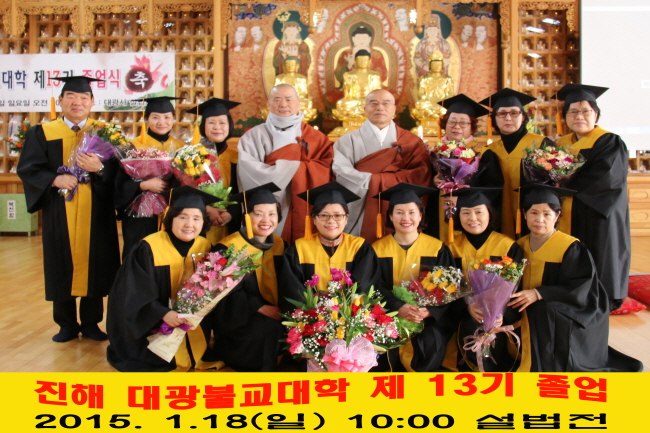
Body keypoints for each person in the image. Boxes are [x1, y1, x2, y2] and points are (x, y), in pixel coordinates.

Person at [17, 76, 120, 343]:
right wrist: (54, 179)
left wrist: (100, 169)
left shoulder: (105, 133)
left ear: (92, 102)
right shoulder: (43, 132)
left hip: (96, 211)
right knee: (60, 263)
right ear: (60, 101)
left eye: (84, 97)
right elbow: (28, 168)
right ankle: (66, 324)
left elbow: (122, 173)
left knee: (96, 262)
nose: (77, 102)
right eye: (71, 96)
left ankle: (91, 323)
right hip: (59, 210)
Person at [512, 184, 642, 372]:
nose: (539, 219)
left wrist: (539, 293)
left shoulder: (570, 246)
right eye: (533, 213)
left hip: (569, 307)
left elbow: (582, 286)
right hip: (528, 303)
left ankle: (548, 366)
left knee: (541, 308)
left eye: (547, 214)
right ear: (524, 215)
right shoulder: (519, 246)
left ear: (557, 216)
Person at [106, 186, 223, 372]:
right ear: (171, 218)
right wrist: (162, 313)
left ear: (203, 222)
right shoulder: (148, 247)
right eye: (182, 217)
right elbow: (132, 292)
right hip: (154, 327)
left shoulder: (206, 247)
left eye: (196, 218)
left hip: (191, 325)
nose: (189, 224)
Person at [553, 84, 630, 312]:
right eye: (573, 112)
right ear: (565, 116)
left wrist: (564, 186)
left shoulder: (609, 142)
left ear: (595, 114)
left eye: (585, 111)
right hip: (568, 210)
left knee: (600, 253)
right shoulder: (560, 144)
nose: (579, 116)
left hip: (597, 211)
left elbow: (606, 178)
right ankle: (571, 294)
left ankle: (603, 298)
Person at [372, 183, 457, 372]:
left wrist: (429, 311)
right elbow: (375, 285)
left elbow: (448, 287)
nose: (406, 218)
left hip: (425, 319)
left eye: (412, 212)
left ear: (420, 216)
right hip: (387, 315)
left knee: (431, 340)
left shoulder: (437, 248)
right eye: (399, 212)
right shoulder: (377, 249)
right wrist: (398, 306)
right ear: (390, 216)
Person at [333, 89, 433, 244]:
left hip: (398, 205)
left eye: (386, 103)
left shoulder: (410, 141)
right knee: (358, 246)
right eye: (374, 103)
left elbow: (421, 173)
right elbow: (340, 170)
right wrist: (372, 181)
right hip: (361, 204)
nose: (380, 108)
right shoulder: (348, 140)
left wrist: (380, 181)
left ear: (394, 109)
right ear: (365, 109)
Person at [442, 187, 524, 372]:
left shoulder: (507, 246)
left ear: (490, 213)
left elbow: (518, 286)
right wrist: (466, 306)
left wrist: (502, 315)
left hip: (499, 320)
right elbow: (445, 287)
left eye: (479, 212)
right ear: (458, 216)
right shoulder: (450, 247)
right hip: (462, 317)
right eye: (466, 213)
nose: (472, 218)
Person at [238, 84, 333, 244]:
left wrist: (295, 172)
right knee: (271, 243)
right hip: (270, 203)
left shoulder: (316, 137)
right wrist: (293, 167)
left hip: (303, 201)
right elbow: (248, 171)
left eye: (288, 99)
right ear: (269, 104)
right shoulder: (253, 136)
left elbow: (327, 168)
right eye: (277, 100)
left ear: (298, 103)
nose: (283, 104)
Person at [210, 183, 286, 371]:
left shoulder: (280, 245)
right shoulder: (228, 247)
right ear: (246, 216)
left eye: (272, 214)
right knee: (266, 328)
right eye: (258, 214)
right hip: (239, 316)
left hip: (273, 310)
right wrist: (259, 307)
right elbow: (222, 295)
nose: (266, 220)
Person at [279, 181, 379, 313]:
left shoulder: (360, 248)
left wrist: (346, 318)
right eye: (323, 215)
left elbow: (363, 288)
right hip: (310, 320)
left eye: (338, 215)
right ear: (314, 219)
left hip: (350, 319)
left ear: (346, 219)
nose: (331, 221)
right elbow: (292, 291)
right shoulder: (298, 249)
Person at [477, 88, 552, 239]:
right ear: (494, 119)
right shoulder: (489, 151)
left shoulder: (541, 144)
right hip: (500, 215)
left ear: (523, 117)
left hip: (534, 213)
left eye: (514, 113)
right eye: (502, 113)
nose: (508, 118)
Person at [115, 96, 185, 258]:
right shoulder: (131, 147)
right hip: (139, 214)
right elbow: (119, 183)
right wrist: (143, 185)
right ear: (146, 119)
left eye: (167, 117)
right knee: (138, 252)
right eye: (155, 117)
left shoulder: (182, 148)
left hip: (170, 211)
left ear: (173, 119)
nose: (161, 122)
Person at [426, 94, 489, 243]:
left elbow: (490, 187)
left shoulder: (483, 154)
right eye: (452, 122)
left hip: (470, 214)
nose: (457, 126)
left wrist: (463, 189)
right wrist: (433, 184)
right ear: (445, 124)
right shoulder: (433, 153)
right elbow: (421, 184)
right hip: (437, 212)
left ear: (472, 127)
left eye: (463, 123)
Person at [185, 98, 242, 245]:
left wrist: (231, 213)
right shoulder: (190, 156)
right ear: (203, 126)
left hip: (229, 225)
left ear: (229, 125)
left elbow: (243, 192)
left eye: (222, 122)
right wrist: (206, 209)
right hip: (197, 223)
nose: (217, 127)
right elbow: (181, 192)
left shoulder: (238, 157)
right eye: (211, 122)